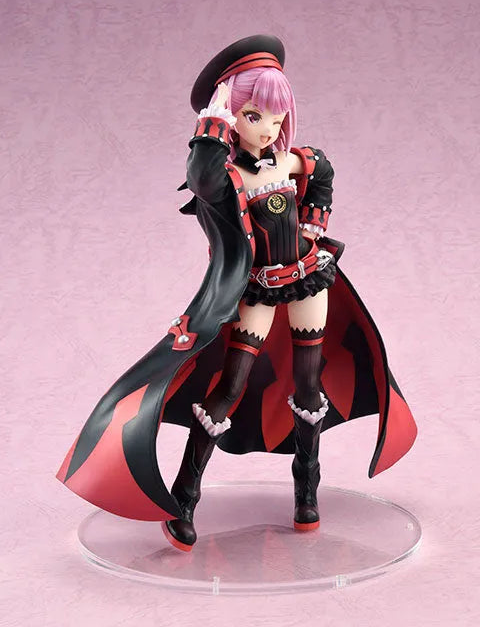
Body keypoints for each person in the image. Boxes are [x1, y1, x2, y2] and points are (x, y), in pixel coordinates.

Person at [56, 35, 417, 553]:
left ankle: (306, 487)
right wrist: (214, 119)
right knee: (229, 385)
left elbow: (323, 171)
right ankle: (185, 495)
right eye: (253, 115)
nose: (268, 127)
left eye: (276, 115)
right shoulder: (228, 176)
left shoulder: (289, 161)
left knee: (309, 383)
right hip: (256, 289)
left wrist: (314, 225)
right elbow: (201, 178)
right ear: (233, 116)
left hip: (307, 278)